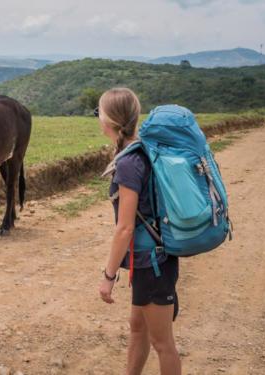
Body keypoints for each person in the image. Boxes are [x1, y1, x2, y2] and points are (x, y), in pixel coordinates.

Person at [96, 88, 182, 375]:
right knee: (137, 329)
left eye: (99, 113)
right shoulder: (140, 149)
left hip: (152, 263)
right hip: (151, 260)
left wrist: (108, 276)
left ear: (108, 121)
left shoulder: (129, 163)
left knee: (162, 342)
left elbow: (125, 227)